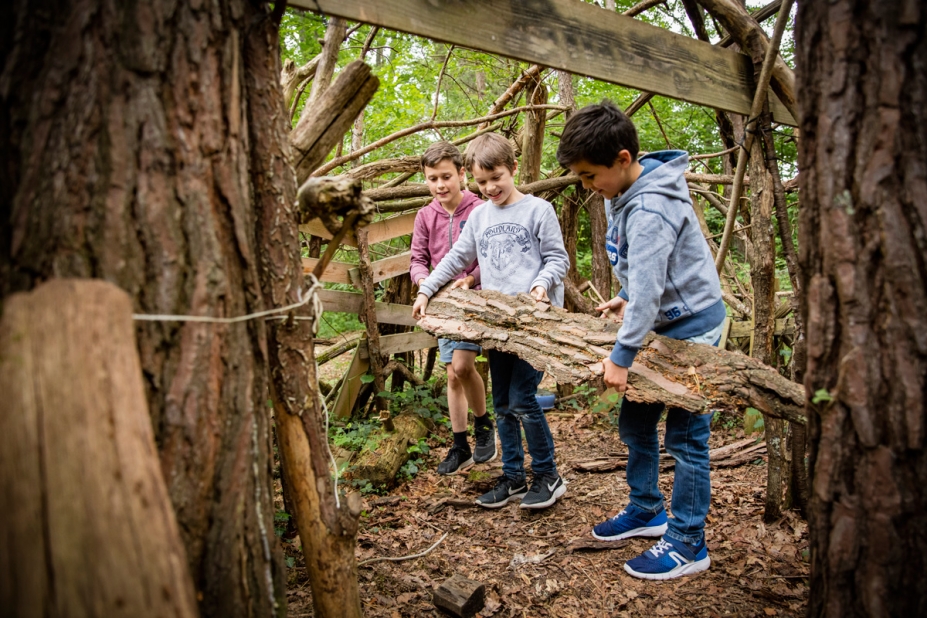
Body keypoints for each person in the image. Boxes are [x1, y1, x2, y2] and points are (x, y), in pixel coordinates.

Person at [556, 100, 726, 580]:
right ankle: (647, 509)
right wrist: (627, 298)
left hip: (693, 328)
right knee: (635, 423)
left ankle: (689, 542)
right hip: (658, 322)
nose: (587, 186)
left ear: (624, 159)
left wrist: (621, 353)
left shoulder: (651, 206)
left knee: (687, 438)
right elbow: (644, 271)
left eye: (591, 176)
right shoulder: (620, 193)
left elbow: (654, 284)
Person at [413, 133, 570, 510]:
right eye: (482, 182)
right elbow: (453, 259)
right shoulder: (481, 215)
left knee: (522, 398)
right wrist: (425, 290)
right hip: (497, 326)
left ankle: (548, 475)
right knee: (501, 402)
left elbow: (557, 259)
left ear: (514, 169)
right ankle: (514, 477)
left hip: (533, 323)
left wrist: (541, 284)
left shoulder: (538, 210)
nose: (490, 188)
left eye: (497, 177)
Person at [410, 141, 494, 474]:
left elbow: (489, 256)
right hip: (440, 302)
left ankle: (484, 425)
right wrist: (424, 284)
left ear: (462, 174)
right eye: (432, 179)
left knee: (461, 366)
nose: (440, 185)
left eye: (446, 176)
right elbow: (417, 258)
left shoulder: (480, 209)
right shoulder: (425, 216)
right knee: (451, 375)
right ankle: (460, 445)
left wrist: (472, 278)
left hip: (474, 299)